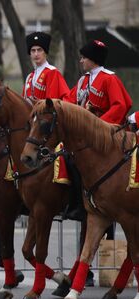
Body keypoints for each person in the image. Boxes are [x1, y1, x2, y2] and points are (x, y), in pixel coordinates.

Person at [66, 39, 132, 286]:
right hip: (86, 137)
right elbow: (70, 102)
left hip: (106, 135)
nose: (81, 60)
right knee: (67, 159)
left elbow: (121, 105)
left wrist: (98, 127)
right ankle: (76, 201)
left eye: (84, 56)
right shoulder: (83, 81)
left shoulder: (109, 78)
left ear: (93, 58)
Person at [22, 31, 69, 105]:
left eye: (39, 50)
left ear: (45, 52)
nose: (36, 54)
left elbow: (53, 102)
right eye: (33, 51)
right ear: (30, 54)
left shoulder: (52, 72)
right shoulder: (29, 77)